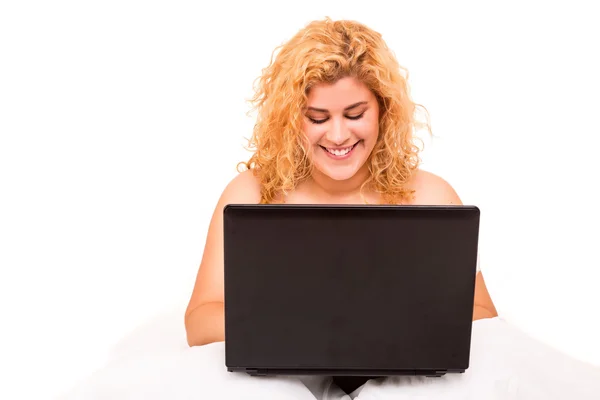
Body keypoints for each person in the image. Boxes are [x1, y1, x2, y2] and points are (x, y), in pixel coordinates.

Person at [184, 17, 498, 398]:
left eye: (354, 115)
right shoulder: (251, 193)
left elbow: (482, 316)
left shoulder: (431, 195)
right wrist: (307, 328)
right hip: (283, 382)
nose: (337, 136)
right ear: (292, 119)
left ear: (383, 110)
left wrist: (385, 329)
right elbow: (199, 321)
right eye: (317, 118)